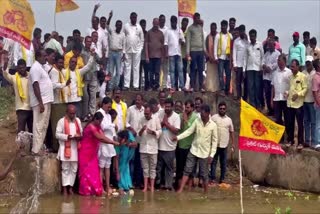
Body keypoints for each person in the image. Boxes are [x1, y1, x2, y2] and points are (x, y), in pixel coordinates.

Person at [172, 104, 218, 193]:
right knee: (187, 170)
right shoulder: (197, 121)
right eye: (201, 114)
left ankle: (206, 192)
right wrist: (178, 137)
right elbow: (189, 132)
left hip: (204, 153)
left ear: (208, 113)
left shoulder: (213, 125)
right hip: (194, 150)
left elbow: (215, 142)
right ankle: (180, 190)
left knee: (204, 174)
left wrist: (212, 155)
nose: (201, 116)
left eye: (203, 114)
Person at [78, 112, 119, 196]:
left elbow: (103, 136)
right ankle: (86, 191)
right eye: (99, 121)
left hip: (93, 153)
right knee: (86, 172)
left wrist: (112, 141)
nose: (100, 123)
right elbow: (100, 137)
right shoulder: (91, 127)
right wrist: (113, 142)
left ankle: (94, 190)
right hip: (85, 152)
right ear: (95, 119)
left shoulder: (97, 126)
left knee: (94, 171)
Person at [29, 50, 54, 155]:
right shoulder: (35, 68)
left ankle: (40, 148)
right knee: (38, 126)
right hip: (41, 102)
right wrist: (40, 102)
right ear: (38, 56)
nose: (46, 58)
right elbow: (35, 85)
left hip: (47, 100)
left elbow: (52, 67)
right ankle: (36, 149)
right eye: (44, 56)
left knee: (44, 125)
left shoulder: (42, 67)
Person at [56, 104, 82, 196]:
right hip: (65, 148)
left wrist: (79, 137)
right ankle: (65, 188)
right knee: (65, 169)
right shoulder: (61, 121)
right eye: (71, 113)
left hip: (75, 148)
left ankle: (71, 187)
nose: (72, 115)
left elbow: (81, 132)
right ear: (66, 112)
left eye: (74, 114)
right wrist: (68, 137)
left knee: (74, 169)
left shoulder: (77, 120)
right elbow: (57, 134)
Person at [1, 59, 33, 133]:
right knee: (21, 131)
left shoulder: (31, 76)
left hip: (31, 107)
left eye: (23, 67)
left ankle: (31, 144)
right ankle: (21, 145)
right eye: (19, 68)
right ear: (17, 68)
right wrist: (6, 63)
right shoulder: (14, 78)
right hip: (21, 108)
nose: (22, 69)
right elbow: (5, 74)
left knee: (32, 130)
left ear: (26, 67)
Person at [156, 98, 181, 190]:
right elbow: (157, 126)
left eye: (168, 107)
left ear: (172, 107)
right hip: (159, 146)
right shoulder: (160, 113)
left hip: (170, 147)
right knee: (159, 168)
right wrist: (163, 122)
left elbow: (176, 131)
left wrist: (167, 124)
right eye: (165, 106)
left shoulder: (176, 117)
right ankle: (159, 184)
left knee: (169, 168)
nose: (167, 108)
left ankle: (168, 186)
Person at [138, 105, 162, 192]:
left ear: (151, 112)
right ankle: (145, 186)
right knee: (145, 168)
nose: (146, 115)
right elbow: (138, 134)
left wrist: (152, 132)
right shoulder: (141, 119)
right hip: (143, 147)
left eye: (147, 114)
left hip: (153, 148)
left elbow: (160, 131)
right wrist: (142, 129)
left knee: (152, 168)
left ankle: (151, 187)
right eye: (145, 114)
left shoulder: (156, 119)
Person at [210, 102, 234, 185]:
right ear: (218, 109)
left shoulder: (229, 120)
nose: (222, 110)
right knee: (213, 162)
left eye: (224, 109)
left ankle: (222, 179)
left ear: (226, 109)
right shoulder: (213, 118)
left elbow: (231, 132)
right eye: (221, 108)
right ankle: (212, 178)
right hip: (215, 144)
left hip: (224, 145)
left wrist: (233, 144)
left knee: (223, 163)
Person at [97, 97, 117, 195]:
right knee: (101, 167)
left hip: (110, 144)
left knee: (107, 167)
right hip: (103, 143)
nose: (109, 108)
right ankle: (101, 188)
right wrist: (113, 125)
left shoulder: (108, 116)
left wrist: (114, 138)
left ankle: (108, 186)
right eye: (108, 106)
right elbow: (103, 127)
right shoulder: (99, 113)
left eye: (110, 107)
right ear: (104, 104)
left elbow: (111, 130)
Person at [175, 99, 197, 189]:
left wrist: (186, 120)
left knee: (189, 169)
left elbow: (190, 130)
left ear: (192, 108)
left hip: (190, 147)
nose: (186, 109)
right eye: (185, 107)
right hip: (180, 146)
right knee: (179, 168)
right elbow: (178, 129)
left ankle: (189, 188)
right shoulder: (180, 116)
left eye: (188, 107)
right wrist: (182, 119)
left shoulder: (195, 117)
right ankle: (179, 187)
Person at [286, 59, 307, 149]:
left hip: (299, 104)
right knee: (290, 123)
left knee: (299, 124)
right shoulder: (290, 77)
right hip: (290, 103)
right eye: (291, 66)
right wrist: (287, 93)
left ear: (298, 67)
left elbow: (305, 89)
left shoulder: (302, 76)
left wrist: (298, 94)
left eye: (293, 67)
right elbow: (289, 89)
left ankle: (300, 143)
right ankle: (290, 140)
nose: (292, 68)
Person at [271, 54, 291, 142]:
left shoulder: (289, 72)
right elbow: (273, 86)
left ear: (284, 61)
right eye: (278, 61)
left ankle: (289, 137)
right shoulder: (275, 73)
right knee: (278, 119)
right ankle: (280, 137)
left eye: (280, 60)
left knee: (287, 119)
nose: (278, 62)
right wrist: (272, 99)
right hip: (277, 99)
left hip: (286, 99)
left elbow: (292, 86)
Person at [126, 94, 145, 188]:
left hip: (141, 140)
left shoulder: (145, 111)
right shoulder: (130, 109)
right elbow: (126, 122)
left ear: (142, 101)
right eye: (136, 99)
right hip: (132, 139)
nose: (137, 101)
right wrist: (131, 129)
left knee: (140, 162)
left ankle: (139, 182)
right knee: (131, 161)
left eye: (139, 100)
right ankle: (131, 181)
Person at [123, 12, 144, 90]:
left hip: (137, 51)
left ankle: (136, 86)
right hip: (127, 51)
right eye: (133, 17)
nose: (134, 19)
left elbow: (142, 39)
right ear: (130, 17)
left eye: (135, 17)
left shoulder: (139, 27)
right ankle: (126, 85)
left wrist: (140, 49)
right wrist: (123, 51)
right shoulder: (126, 26)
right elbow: (123, 38)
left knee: (136, 68)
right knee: (127, 68)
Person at [186, 13, 206, 92]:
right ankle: (192, 86)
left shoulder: (200, 28)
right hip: (193, 51)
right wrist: (188, 53)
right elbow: (188, 41)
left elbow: (203, 40)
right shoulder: (190, 28)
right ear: (194, 19)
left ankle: (201, 87)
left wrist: (204, 50)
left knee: (201, 69)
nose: (198, 19)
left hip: (200, 51)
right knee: (193, 69)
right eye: (197, 18)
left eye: (199, 18)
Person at [81, 36, 99, 121]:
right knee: (85, 96)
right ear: (85, 42)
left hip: (93, 74)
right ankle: (85, 114)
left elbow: (98, 59)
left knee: (93, 95)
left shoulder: (93, 51)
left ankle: (92, 113)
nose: (88, 43)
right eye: (87, 41)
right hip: (85, 75)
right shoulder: (82, 52)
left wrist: (95, 54)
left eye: (90, 41)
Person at [114, 130, 138, 194]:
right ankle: (121, 186)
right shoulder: (117, 142)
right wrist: (117, 173)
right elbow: (116, 158)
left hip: (127, 153)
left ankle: (126, 185)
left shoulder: (129, 134)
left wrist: (129, 144)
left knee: (125, 167)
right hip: (121, 157)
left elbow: (135, 144)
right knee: (121, 167)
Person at [245, 29, 264, 109]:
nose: (252, 37)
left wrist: (261, 67)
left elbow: (262, 57)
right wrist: (244, 69)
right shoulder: (248, 46)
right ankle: (252, 104)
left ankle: (258, 104)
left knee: (257, 87)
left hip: (257, 69)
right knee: (250, 87)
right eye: (251, 36)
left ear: (255, 36)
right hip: (249, 68)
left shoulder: (259, 45)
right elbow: (245, 58)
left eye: (253, 36)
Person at [166, 15, 185, 91]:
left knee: (180, 70)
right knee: (172, 71)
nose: (174, 23)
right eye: (172, 22)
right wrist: (166, 53)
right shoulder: (168, 31)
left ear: (176, 22)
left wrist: (181, 41)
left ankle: (182, 86)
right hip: (171, 53)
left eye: (175, 22)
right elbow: (165, 43)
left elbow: (184, 42)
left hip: (178, 53)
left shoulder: (179, 30)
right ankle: (173, 86)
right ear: (171, 22)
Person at [107, 15, 126, 91]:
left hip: (119, 53)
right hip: (111, 53)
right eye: (118, 25)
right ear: (115, 26)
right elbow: (107, 25)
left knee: (118, 71)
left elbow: (124, 44)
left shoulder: (123, 34)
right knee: (111, 71)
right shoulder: (112, 32)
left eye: (120, 25)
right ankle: (110, 86)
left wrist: (124, 54)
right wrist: (110, 17)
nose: (119, 26)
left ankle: (116, 86)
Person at [262, 39, 281, 115]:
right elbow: (262, 61)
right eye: (268, 45)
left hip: (273, 77)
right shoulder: (266, 53)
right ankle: (270, 110)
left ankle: (275, 111)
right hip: (266, 77)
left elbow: (277, 63)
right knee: (267, 94)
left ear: (274, 45)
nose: (269, 46)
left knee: (273, 95)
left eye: (271, 45)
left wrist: (269, 68)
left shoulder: (277, 53)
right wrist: (264, 66)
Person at [145, 18, 164, 91]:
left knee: (157, 72)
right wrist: (146, 56)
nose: (156, 25)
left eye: (157, 23)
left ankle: (157, 85)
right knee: (151, 72)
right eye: (155, 23)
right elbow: (146, 44)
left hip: (158, 56)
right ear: (152, 23)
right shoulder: (149, 33)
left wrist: (162, 56)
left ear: (159, 24)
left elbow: (162, 45)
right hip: (150, 56)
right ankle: (151, 86)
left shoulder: (161, 33)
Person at [214, 20, 233, 95]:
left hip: (228, 58)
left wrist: (231, 58)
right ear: (221, 26)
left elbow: (232, 48)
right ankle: (222, 89)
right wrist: (216, 57)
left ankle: (227, 90)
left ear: (227, 26)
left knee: (228, 75)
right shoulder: (218, 35)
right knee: (220, 74)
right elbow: (215, 47)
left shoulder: (230, 35)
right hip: (220, 58)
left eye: (225, 26)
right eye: (222, 26)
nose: (223, 27)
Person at [303, 56, 316, 147]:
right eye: (307, 62)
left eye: (309, 62)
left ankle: (314, 141)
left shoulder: (315, 73)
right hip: (304, 101)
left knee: (313, 122)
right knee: (306, 121)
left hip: (313, 101)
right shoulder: (303, 73)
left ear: (312, 63)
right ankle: (307, 141)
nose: (308, 64)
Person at [233, 25, 248, 100]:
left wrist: (247, 39)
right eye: (240, 31)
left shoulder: (247, 41)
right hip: (238, 65)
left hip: (245, 65)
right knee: (238, 82)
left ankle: (245, 97)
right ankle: (238, 96)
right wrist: (234, 64)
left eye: (243, 31)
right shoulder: (236, 41)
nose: (242, 32)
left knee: (245, 82)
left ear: (244, 31)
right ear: (239, 32)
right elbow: (234, 53)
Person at [205, 22, 219, 92]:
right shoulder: (208, 37)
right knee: (210, 75)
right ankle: (209, 89)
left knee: (216, 76)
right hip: (209, 59)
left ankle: (216, 89)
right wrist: (209, 56)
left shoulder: (219, 36)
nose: (212, 30)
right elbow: (205, 48)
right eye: (211, 28)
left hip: (217, 60)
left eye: (214, 28)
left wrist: (216, 57)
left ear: (216, 28)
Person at [312, 59, 320, 149]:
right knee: (318, 124)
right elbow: (314, 92)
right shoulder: (315, 78)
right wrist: (318, 103)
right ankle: (317, 142)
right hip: (318, 104)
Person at [139, 19, 149, 90]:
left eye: (144, 25)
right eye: (142, 25)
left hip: (146, 56)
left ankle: (146, 86)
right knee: (138, 73)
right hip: (138, 56)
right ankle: (138, 86)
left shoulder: (147, 33)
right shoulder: (138, 33)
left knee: (146, 73)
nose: (143, 26)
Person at [181, 18, 189, 86]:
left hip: (185, 55)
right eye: (183, 23)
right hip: (178, 54)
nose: (184, 24)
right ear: (181, 23)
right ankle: (176, 86)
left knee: (184, 70)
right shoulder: (178, 31)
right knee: (177, 71)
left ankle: (183, 85)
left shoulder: (188, 32)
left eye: (186, 23)